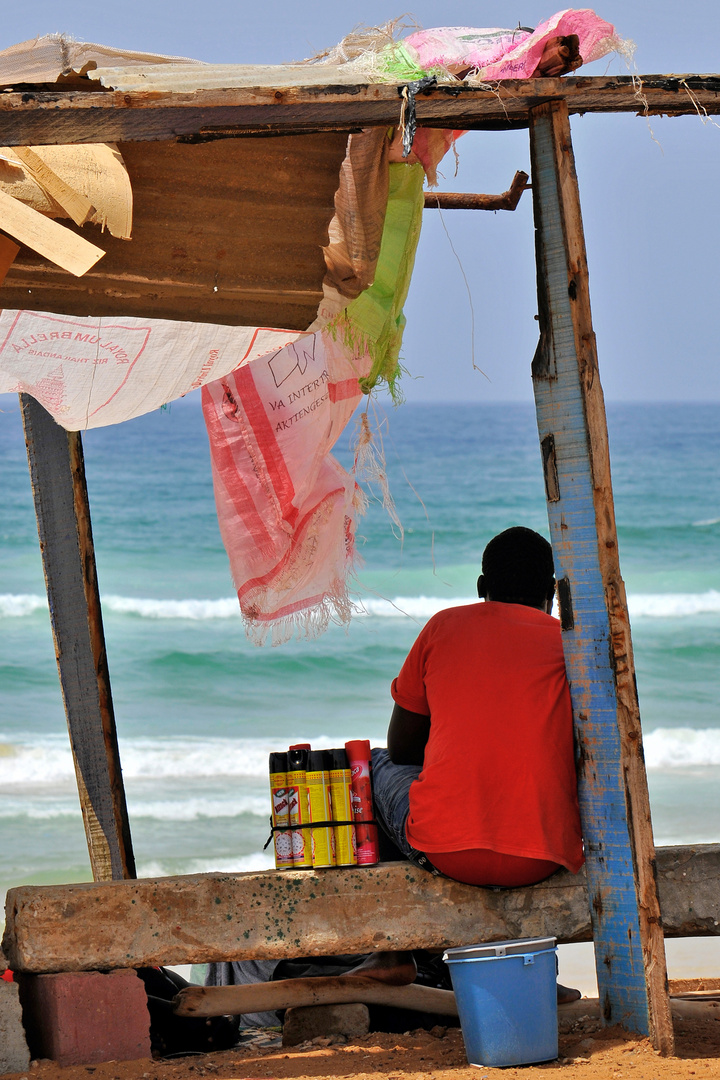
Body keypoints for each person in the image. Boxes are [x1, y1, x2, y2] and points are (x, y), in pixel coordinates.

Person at [368, 526, 584, 1001]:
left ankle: (391, 952)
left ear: (482, 588)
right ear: (551, 593)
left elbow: (402, 749)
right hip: (543, 856)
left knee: (375, 764)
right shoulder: (571, 647)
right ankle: (533, 973)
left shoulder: (444, 627)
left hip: (447, 852)